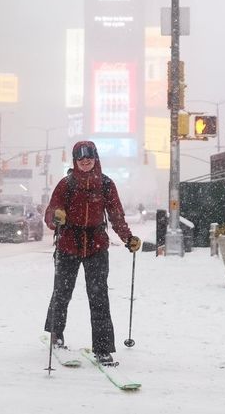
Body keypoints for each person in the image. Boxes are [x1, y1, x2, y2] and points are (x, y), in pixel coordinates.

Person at [43, 140, 140, 367]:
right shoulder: (66, 184)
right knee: (62, 292)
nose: (85, 163)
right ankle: (56, 334)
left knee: (99, 297)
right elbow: (50, 212)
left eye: (89, 159)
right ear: (75, 162)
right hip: (68, 244)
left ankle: (103, 349)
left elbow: (116, 215)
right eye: (80, 159)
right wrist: (55, 217)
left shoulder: (106, 184)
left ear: (95, 159)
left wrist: (128, 238)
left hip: (96, 245)